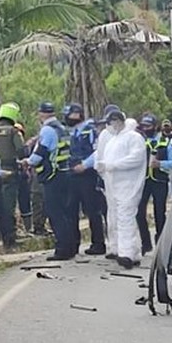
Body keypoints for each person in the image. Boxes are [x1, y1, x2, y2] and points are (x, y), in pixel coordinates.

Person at [22, 102, 78, 261]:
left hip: (52, 175)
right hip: (66, 173)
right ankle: (71, 247)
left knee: (55, 212)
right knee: (65, 212)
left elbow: (41, 152)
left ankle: (62, 249)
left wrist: (28, 161)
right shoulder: (62, 128)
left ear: (42, 114)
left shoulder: (47, 130)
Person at [95, 106, 147, 269]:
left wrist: (112, 165)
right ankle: (133, 252)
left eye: (110, 123)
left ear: (117, 121)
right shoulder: (113, 140)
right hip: (114, 186)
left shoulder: (134, 138)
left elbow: (136, 158)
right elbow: (103, 157)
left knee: (125, 217)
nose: (108, 126)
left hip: (128, 185)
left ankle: (126, 254)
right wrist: (102, 166)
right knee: (119, 217)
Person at [65, 103, 106, 256]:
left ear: (78, 114)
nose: (67, 117)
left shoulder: (90, 130)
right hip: (72, 175)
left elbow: (98, 151)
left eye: (69, 114)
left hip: (87, 175)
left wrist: (85, 165)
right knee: (71, 210)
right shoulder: (71, 133)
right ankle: (73, 244)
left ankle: (98, 244)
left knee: (92, 210)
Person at [135, 114, 172, 254]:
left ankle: (161, 242)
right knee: (139, 212)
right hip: (143, 181)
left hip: (160, 181)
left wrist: (160, 164)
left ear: (155, 126)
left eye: (148, 126)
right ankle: (145, 242)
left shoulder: (165, 142)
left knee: (159, 213)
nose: (146, 129)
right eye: (144, 126)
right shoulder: (139, 141)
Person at [0, 102, 26, 239]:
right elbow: (21, 150)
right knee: (8, 202)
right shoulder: (13, 131)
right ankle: (10, 233)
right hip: (9, 171)